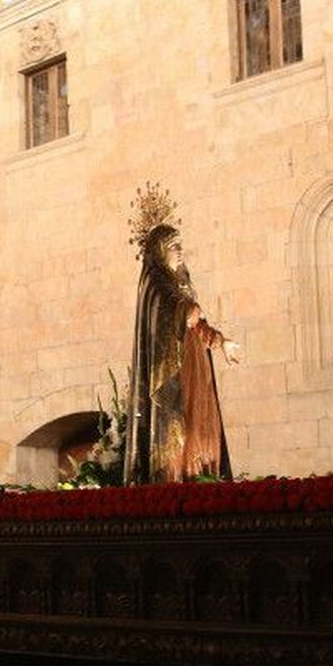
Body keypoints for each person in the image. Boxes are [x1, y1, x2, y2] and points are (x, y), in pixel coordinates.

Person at [123, 183, 240, 484]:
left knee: (202, 419)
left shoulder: (181, 285)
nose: (179, 252)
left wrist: (221, 342)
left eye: (180, 246)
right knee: (180, 419)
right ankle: (176, 478)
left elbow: (196, 322)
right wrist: (188, 308)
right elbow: (180, 312)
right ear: (159, 252)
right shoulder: (155, 284)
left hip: (195, 363)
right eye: (173, 247)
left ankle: (203, 475)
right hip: (172, 370)